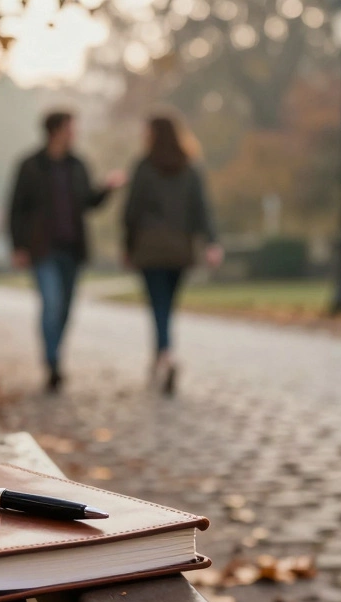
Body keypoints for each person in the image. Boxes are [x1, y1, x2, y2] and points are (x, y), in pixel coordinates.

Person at [8, 110, 124, 393]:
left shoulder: (77, 165)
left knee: (65, 311)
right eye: (71, 128)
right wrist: (18, 246)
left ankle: (55, 355)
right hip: (42, 249)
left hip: (72, 249)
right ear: (56, 130)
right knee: (51, 304)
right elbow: (15, 209)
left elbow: (88, 203)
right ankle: (52, 363)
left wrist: (108, 188)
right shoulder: (30, 166)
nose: (75, 133)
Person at [123, 115, 223, 396]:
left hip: (150, 248)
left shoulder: (144, 167)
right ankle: (163, 354)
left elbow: (132, 212)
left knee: (158, 304)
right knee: (167, 305)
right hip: (180, 248)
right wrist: (211, 242)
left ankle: (163, 355)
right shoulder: (190, 168)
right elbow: (202, 209)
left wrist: (128, 246)